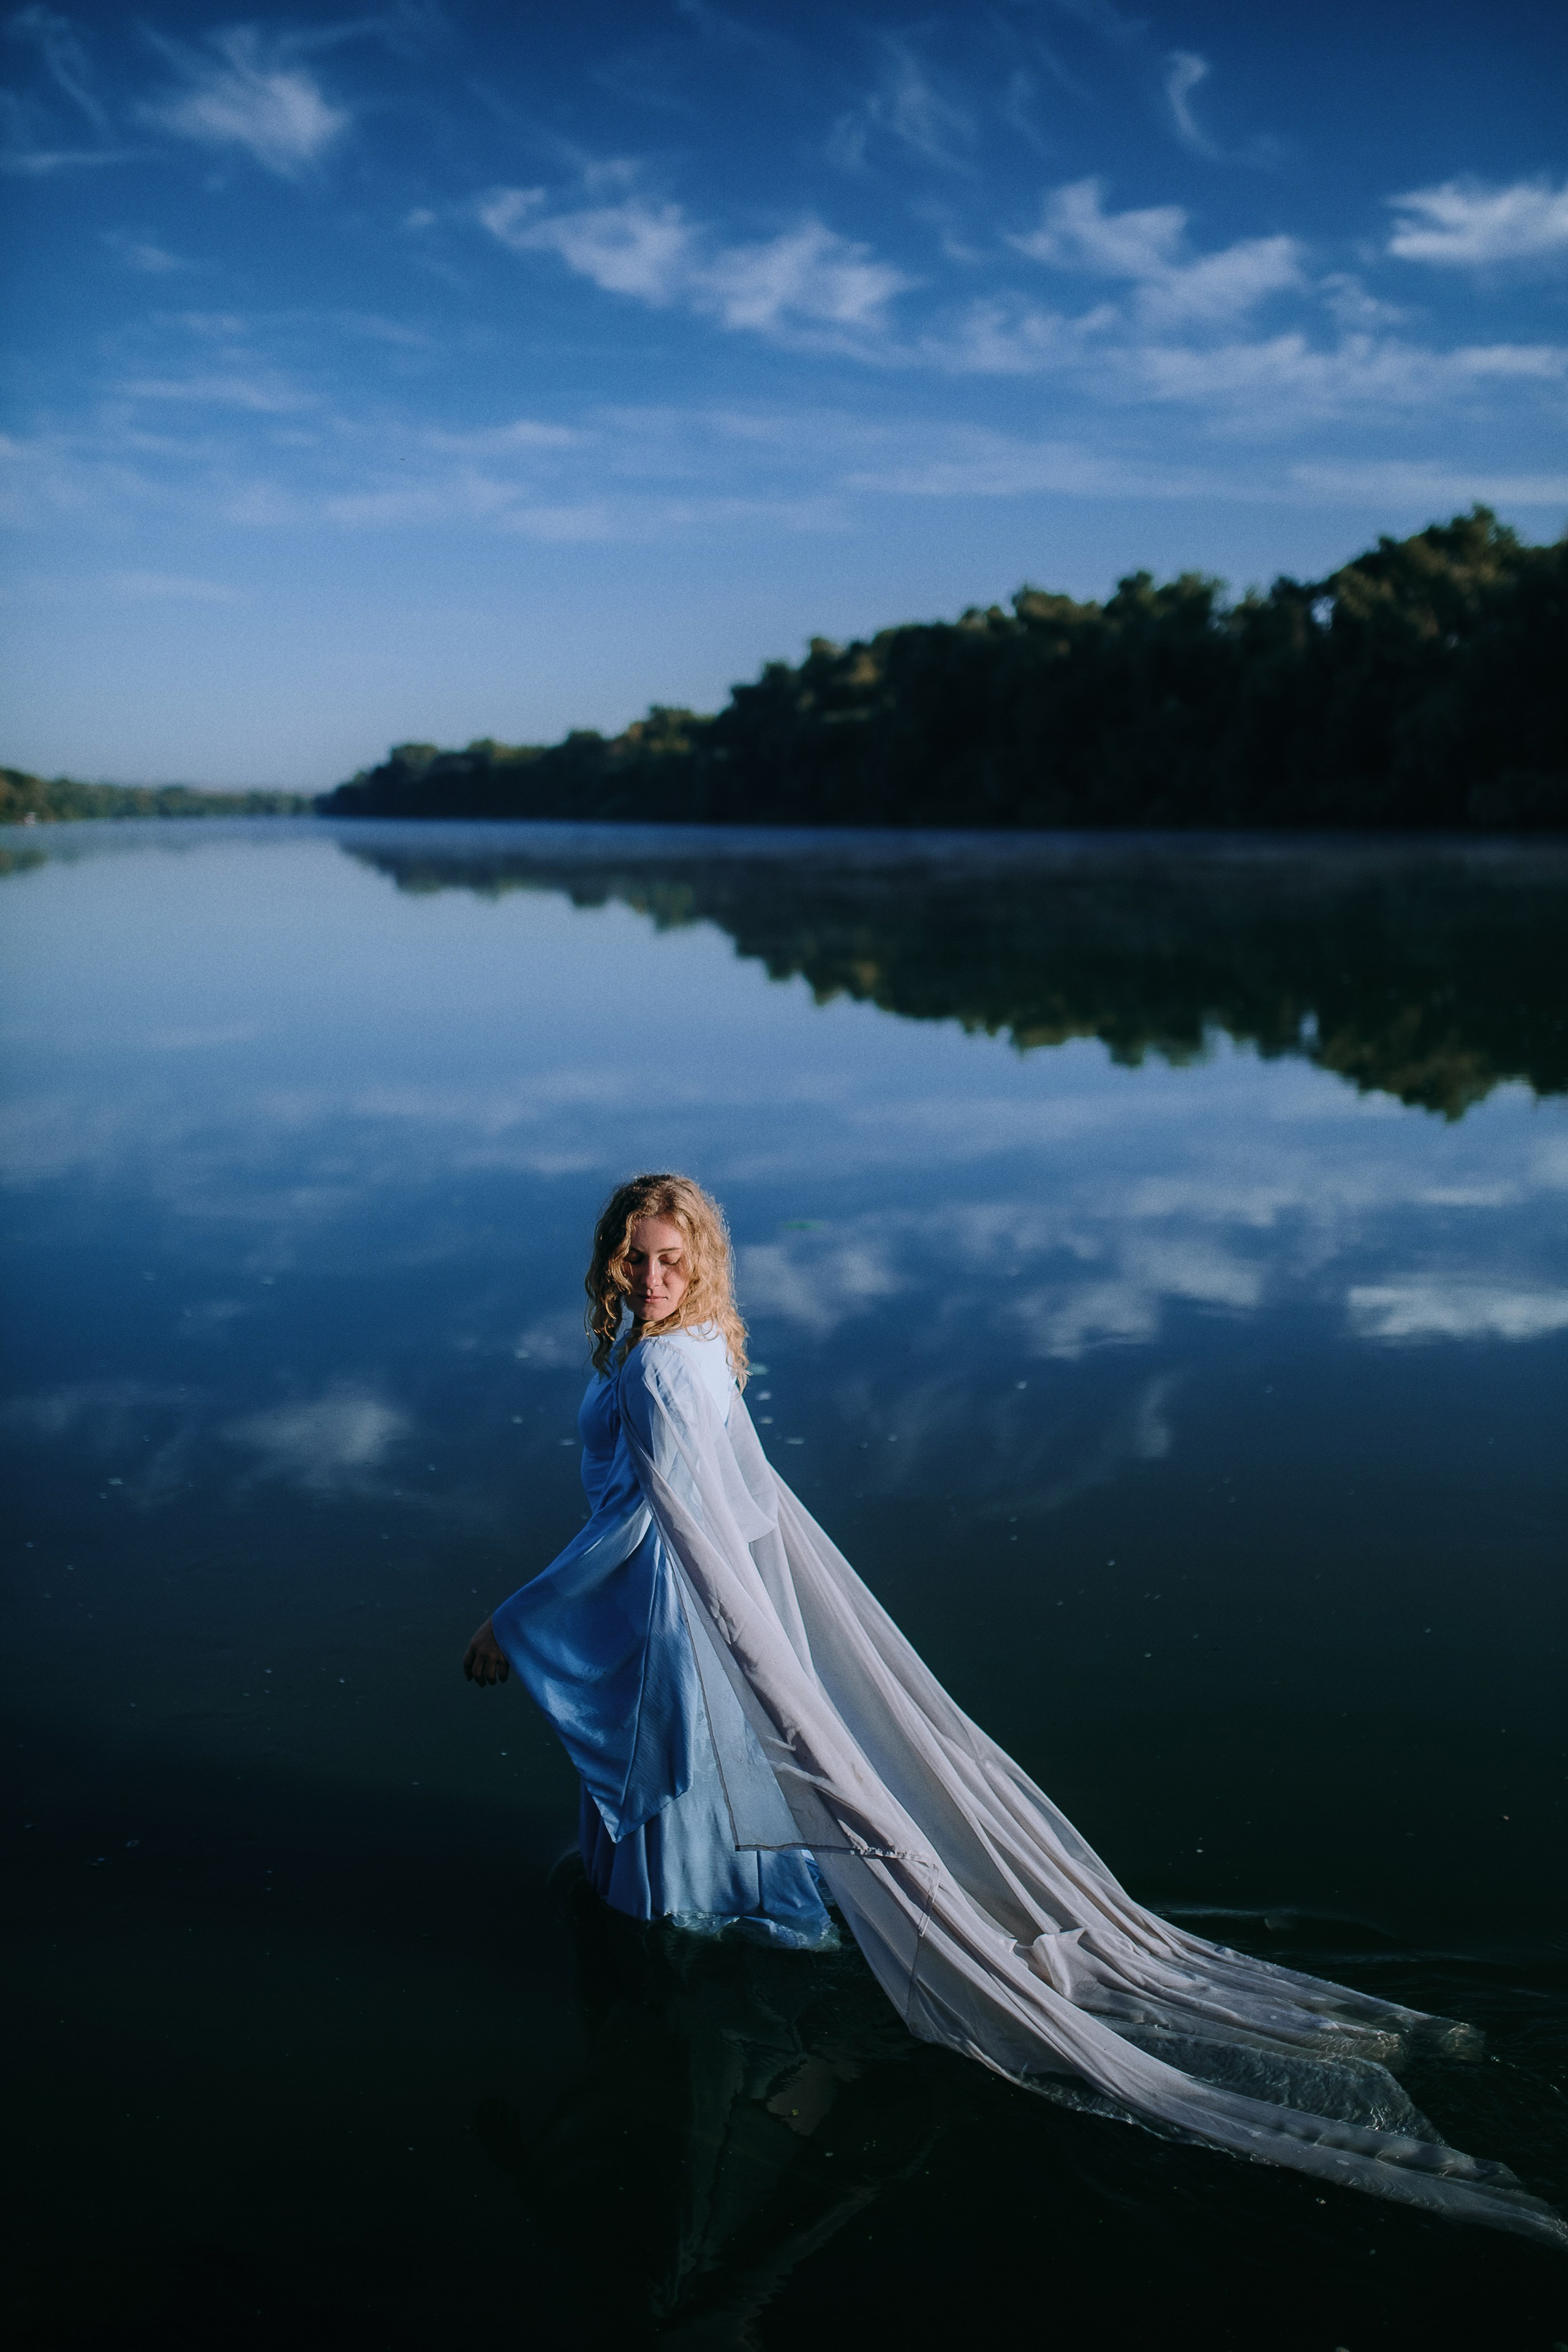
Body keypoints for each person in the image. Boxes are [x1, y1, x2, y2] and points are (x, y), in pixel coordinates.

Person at [465, 1172, 1565, 2247]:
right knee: (717, 1830)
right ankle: (767, 1956)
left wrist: (513, 1620)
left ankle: (719, 1996)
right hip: (688, 1615)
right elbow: (738, 1511)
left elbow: (641, 1525)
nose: (651, 1278)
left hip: (666, 1623)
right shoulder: (702, 1347)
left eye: (670, 1259)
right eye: (635, 1259)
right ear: (612, 1259)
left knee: (665, 1882)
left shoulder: (662, 1366)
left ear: (699, 1259)